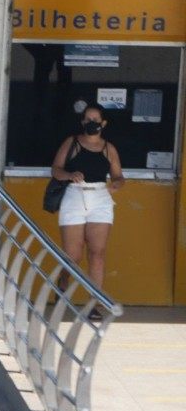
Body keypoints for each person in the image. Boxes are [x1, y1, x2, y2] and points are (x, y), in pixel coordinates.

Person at [51, 104, 124, 315]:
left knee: (97, 253)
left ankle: (94, 303)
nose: (91, 123)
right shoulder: (72, 142)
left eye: (95, 119)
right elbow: (56, 169)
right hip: (75, 195)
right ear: (83, 122)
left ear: (103, 123)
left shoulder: (109, 148)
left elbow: (119, 177)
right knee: (73, 255)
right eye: (87, 119)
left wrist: (116, 185)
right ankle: (63, 283)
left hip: (100, 197)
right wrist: (69, 175)